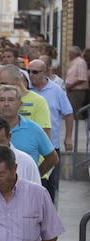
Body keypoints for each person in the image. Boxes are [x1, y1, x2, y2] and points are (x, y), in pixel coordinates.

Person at [0, 85, 58, 176]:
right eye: (2, 100)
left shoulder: (34, 129)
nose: (6, 104)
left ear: (20, 104)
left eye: (11, 100)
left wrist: (35, 175)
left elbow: (52, 158)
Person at [27, 58, 74, 201]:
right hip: (31, 147)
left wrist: (68, 137)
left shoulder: (56, 90)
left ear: (45, 72)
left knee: (49, 186)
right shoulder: (26, 89)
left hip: (51, 146)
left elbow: (68, 113)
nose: (31, 75)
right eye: (29, 71)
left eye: (35, 72)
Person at [65, 45, 88, 116]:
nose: (68, 55)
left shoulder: (80, 62)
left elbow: (82, 78)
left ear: (73, 54)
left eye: (69, 53)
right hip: (72, 90)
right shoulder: (75, 62)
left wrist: (70, 86)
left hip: (77, 91)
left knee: (75, 112)